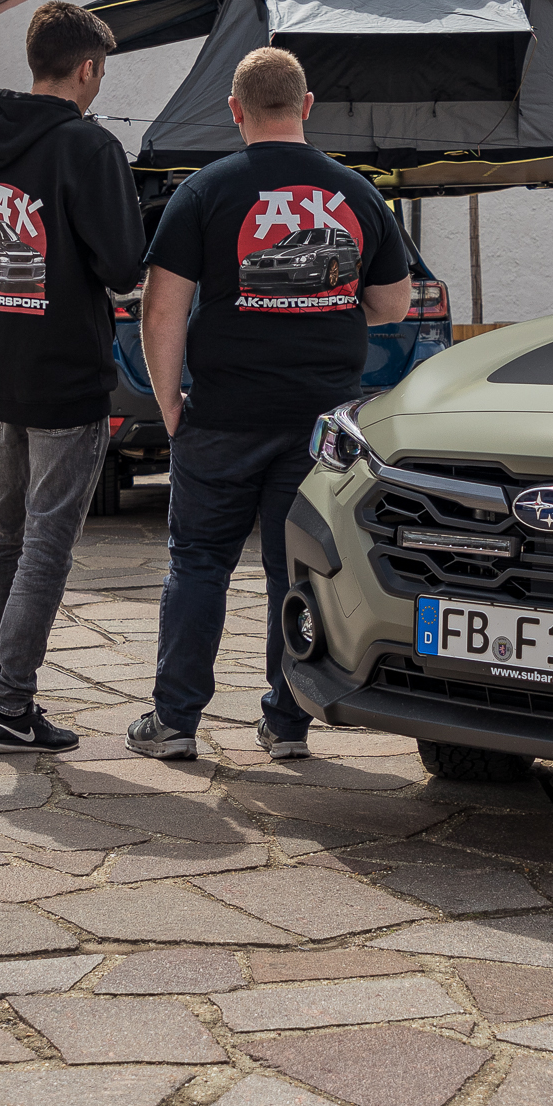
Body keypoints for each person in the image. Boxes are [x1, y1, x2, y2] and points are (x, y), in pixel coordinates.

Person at [126, 46, 411, 762]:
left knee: (199, 563)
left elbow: (161, 309)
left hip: (222, 414)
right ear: (307, 106)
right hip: (320, 421)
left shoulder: (204, 191)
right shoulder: (358, 193)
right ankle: (287, 725)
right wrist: (324, 306)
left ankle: (175, 722)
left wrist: (167, 402)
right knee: (299, 571)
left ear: (236, 111)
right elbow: (392, 304)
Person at [0, 1, 146, 754]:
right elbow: (123, 266)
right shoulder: (89, 145)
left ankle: (0, 684)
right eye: (100, 73)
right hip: (64, 375)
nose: (98, 85)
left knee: (0, 538)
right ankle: (10, 706)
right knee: (46, 544)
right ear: (86, 68)